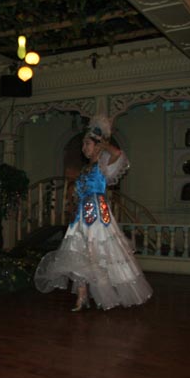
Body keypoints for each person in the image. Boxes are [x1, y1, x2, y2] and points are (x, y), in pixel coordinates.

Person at [34, 115, 152, 311]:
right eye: (83, 144)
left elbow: (118, 154)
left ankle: (104, 295)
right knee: (78, 253)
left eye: (87, 144)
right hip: (81, 216)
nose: (83, 148)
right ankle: (81, 296)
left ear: (97, 146)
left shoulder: (103, 165)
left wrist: (104, 142)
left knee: (98, 253)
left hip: (97, 216)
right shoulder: (85, 168)